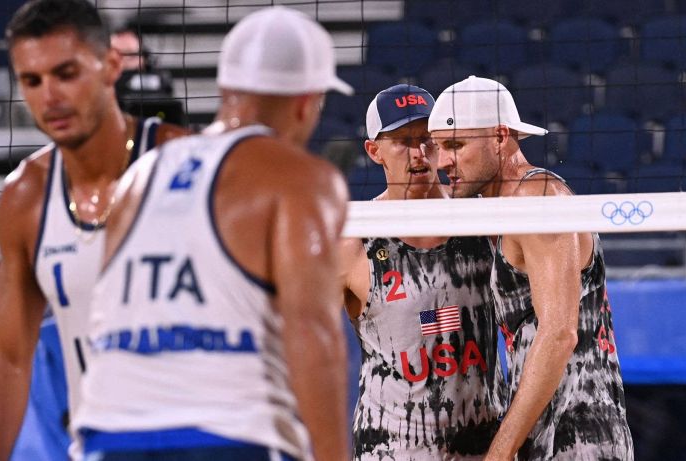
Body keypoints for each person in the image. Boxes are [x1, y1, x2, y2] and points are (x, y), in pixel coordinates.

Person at [72, 6, 352, 461]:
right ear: (307, 102)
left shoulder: (138, 175)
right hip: (227, 433)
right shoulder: (301, 178)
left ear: (226, 90)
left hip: (107, 433)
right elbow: (313, 333)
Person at [0, 1, 189, 459]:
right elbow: (8, 360)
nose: (48, 96)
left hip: (206, 442)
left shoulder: (188, 166)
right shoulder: (25, 197)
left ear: (110, 66)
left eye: (65, 73)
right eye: (31, 80)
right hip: (100, 445)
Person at [429, 76, 633, 460]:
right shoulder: (501, 211)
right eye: (438, 147)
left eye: (455, 145)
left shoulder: (539, 195)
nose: (442, 162)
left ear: (500, 137)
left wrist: (500, 450)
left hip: (580, 434)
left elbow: (559, 334)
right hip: (546, 432)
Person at [339, 84, 506, 459]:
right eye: (402, 141)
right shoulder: (353, 238)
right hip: (393, 447)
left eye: (427, 139)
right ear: (374, 151)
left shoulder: (484, 219)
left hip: (485, 445)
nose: (419, 153)